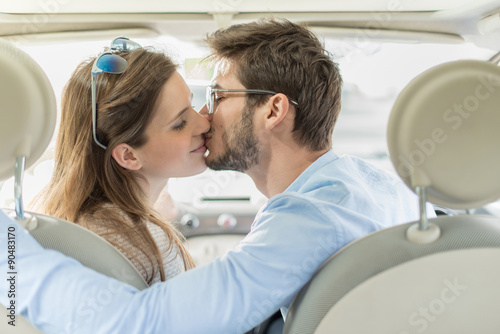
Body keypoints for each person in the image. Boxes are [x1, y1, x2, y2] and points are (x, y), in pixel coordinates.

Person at [0, 18, 431, 333]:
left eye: (219, 95)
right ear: (127, 155)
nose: (206, 116)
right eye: (183, 115)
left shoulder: (310, 219)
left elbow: (135, 323)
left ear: (274, 110)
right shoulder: (364, 186)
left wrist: (10, 253)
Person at [31, 41, 210, 284]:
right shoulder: (140, 241)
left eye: (192, 105)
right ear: (128, 156)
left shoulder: (73, 223)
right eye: (179, 123)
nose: (204, 123)